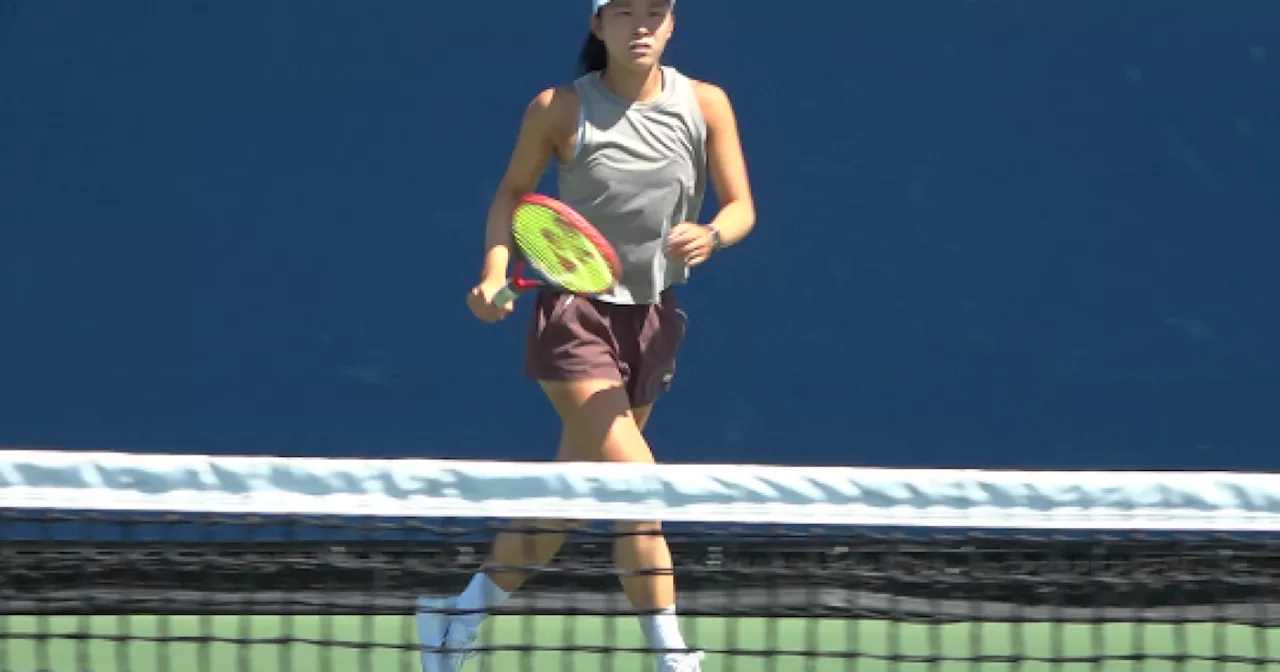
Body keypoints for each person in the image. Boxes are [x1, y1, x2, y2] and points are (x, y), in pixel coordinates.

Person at [417, 0, 754, 669]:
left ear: (673, 22)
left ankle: (455, 618)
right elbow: (511, 197)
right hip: (574, 318)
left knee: (572, 495)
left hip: (652, 320)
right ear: (597, 26)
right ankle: (671, 655)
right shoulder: (560, 108)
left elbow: (741, 205)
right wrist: (493, 271)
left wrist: (713, 233)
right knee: (640, 487)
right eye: (624, 12)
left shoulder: (707, 104)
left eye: (654, 12)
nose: (641, 26)